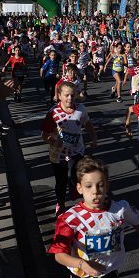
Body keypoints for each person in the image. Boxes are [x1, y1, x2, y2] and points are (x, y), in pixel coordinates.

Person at [42, 81, 98, 213]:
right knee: (60, 182)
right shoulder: (53, 113)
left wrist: (94, 138)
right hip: (58, 153)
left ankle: (77, 191)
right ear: (59, 96)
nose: (70, 98)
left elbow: (88, 124)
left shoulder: (80, 109)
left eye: (72, 95)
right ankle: (60, 204)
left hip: (76, 150)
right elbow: (44, 134)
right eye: (66, 95)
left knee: (78, 176)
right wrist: (52, 141)